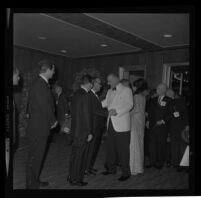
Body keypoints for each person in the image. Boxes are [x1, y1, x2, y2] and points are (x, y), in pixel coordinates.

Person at [25, 59, 58, 189]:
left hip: (38, 126)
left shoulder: (39, 83)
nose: (54, 72)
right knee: (35, 158)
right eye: (53, 69)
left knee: (36, 157)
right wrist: (53, 121)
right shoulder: (40, 84)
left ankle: (34, 182)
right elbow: (45, 106)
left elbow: (33, 104)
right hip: (39, 128)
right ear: (48, 69)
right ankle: (31, 185)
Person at [101, 73, 133, 181]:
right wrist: (94, 104)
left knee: (123, 150)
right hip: (110, 123)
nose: (108, 83)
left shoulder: (126, 90)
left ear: (116, 80)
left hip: (122, 125)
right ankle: (111, 169)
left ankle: (126, 173)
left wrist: (117, 111)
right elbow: (105, 103)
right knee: (110, 148)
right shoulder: (110, 91)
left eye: (109, 81)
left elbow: (129, 105)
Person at [67, 74, 93, 186]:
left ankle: (71, 176)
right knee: (80, 156)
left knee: (74, 155)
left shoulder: (76, 93)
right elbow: (86, 116)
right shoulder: (86, 95)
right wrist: (89, 132)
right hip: (82, 131)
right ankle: (76, 179)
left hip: (75, 130)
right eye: (92, 83)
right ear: (89, 83)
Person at [146, 83, 172, 169]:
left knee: (161, 145)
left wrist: (163, 120)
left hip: (162, 127)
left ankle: (160, 163)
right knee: (152, 145)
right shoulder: (153, 99)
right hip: (153, 126)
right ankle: (152, 162)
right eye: (157, 88)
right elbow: (150, 112)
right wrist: (148, 121)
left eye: (160, 88)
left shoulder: (169, 100)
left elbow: (171, 113)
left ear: (164, 90)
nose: (157, 90)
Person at [85, 77, 108, 175]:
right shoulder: (90, 95)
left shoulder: (95, 95)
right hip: (94, 127)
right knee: (91, 149)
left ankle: (89, 167)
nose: (101, 85)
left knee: (94, 149)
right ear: (93, 84)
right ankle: (86, 169)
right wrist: (109, 113)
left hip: (97, 127)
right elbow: (95, 110)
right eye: (99, 83)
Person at [166, 88, 189, 171]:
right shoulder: (176, 102)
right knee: (176, 146)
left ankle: (182, 165)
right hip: (175, 127)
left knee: (180, 146)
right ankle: (177, 164)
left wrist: (187, 125)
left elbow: (185, 114)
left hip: (180, 127)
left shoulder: (179, 101)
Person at [130, 79, 148, 175]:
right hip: (141, 121)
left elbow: (133, 110)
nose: (132, 88)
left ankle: (134, 168)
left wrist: (124, 114)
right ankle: (139, 167)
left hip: (135, 121)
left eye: (133, 86)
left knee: (134, 145)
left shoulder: (135, 96)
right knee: (139, 144)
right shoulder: (143, 96)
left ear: (137, 86)